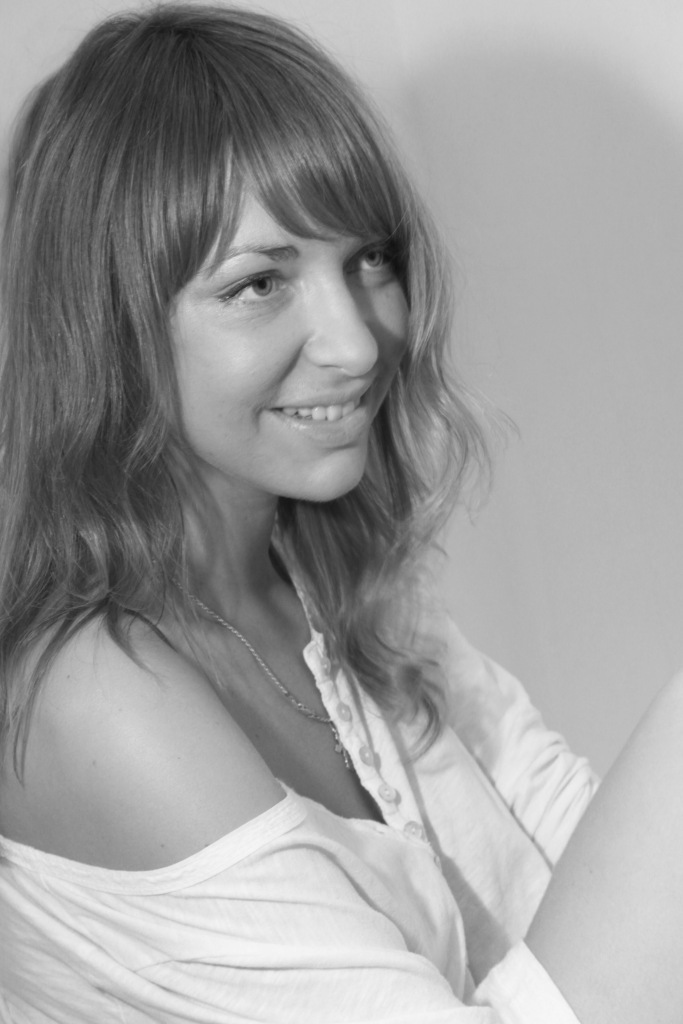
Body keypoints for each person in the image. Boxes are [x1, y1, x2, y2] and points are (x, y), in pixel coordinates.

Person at [0, 5, 680, 1022]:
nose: (358, 343)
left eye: (369, 258)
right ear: (104, 327)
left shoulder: (340, 587)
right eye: (259, 283)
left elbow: (584, 864)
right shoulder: (94, 696)